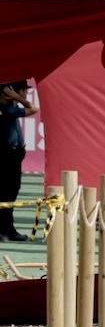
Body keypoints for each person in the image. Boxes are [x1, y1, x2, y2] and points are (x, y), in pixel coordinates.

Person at [0, 81, 36, 242]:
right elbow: (33, 109)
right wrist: (17, 99)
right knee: (7, 194)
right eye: (23, 91)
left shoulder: (7, 109)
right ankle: (7, 231)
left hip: (11, 157)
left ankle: (7, 230)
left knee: (8, 194)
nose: (26, 94)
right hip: (7, 157)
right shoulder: (6, 109)